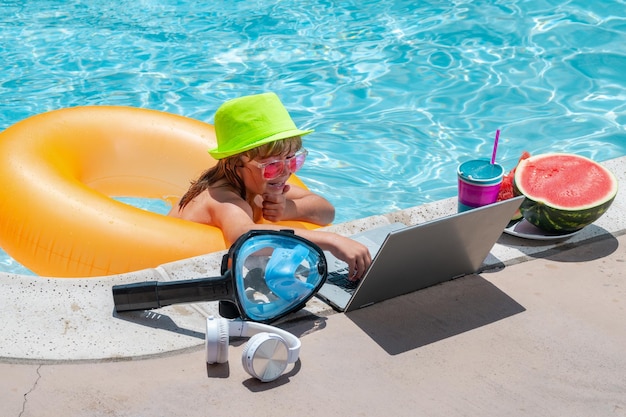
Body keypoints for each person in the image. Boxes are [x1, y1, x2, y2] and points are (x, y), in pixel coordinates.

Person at [168, 92, 371, 280]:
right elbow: (244, 237)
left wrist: (288, 209)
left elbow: (327, 212)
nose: (285, 172)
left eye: (292, 160)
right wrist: (331, 241)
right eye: (272, 165)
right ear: (235, 163)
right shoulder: (224, 200)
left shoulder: (259, 183)